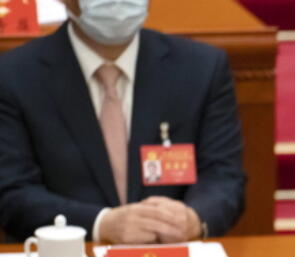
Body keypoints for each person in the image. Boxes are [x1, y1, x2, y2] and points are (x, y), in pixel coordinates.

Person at [0, 0, 245, 244]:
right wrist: (102, 224)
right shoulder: (13, 76)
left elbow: (223, 177)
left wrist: (194, 217)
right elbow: (12, 193)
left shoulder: (201, 68)